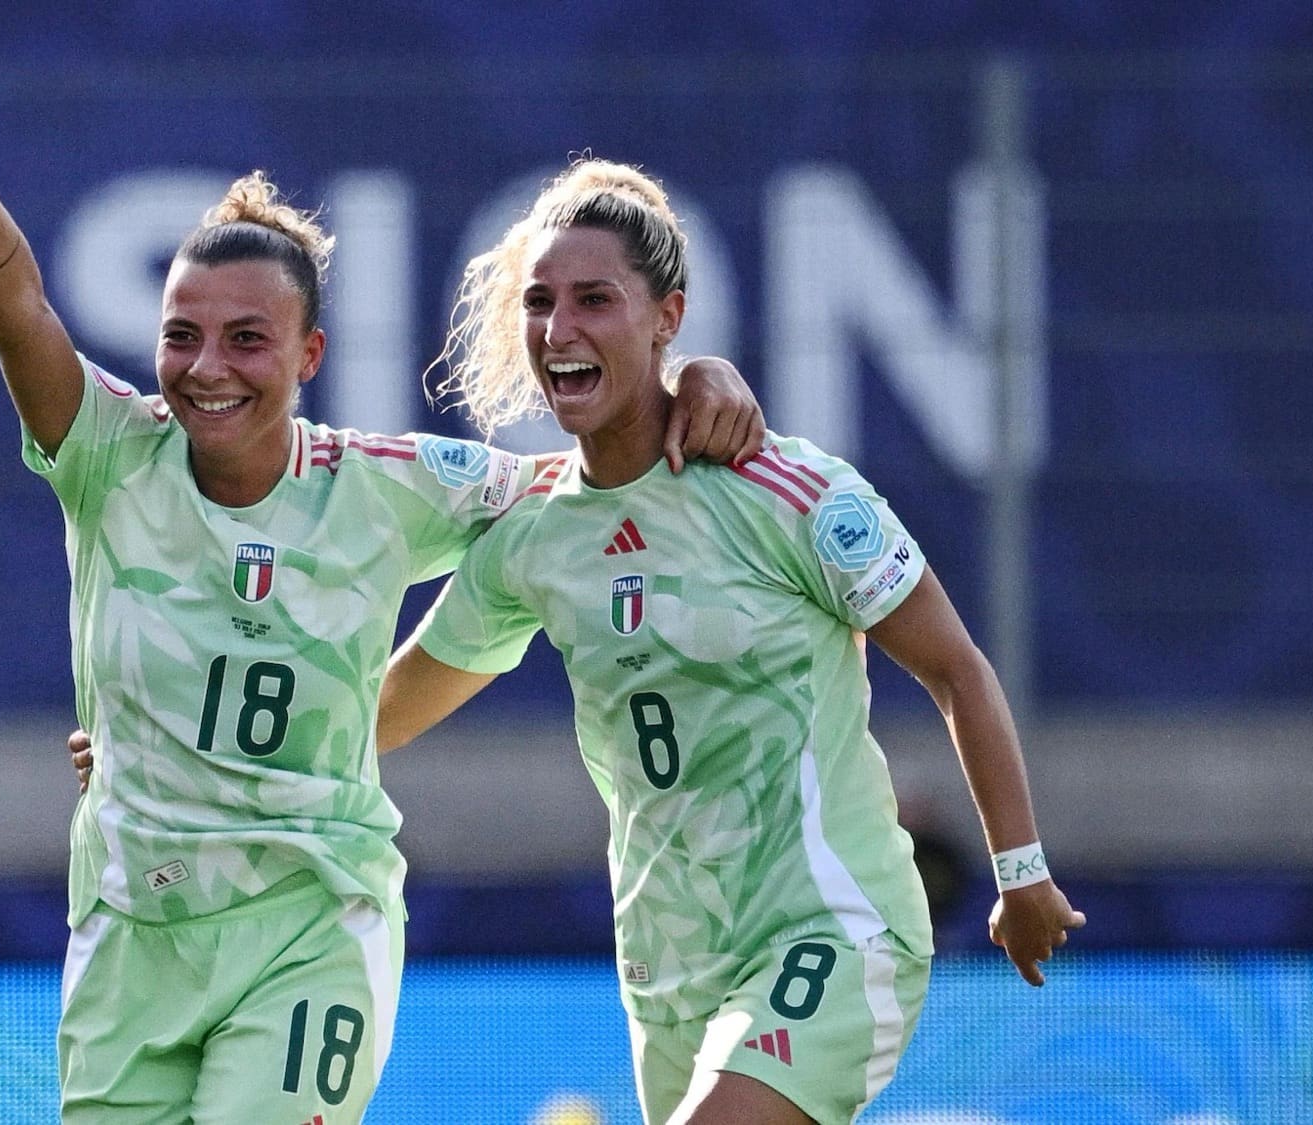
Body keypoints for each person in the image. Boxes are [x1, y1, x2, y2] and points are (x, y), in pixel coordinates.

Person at [0, 14, 762, 1121]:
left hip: (310, 925)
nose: (206, 367)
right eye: (182, 335)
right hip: (128, 934)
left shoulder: (387, 486)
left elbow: (591, 481)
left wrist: (690, 382)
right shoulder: (109, 455)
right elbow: (15, 305)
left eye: (247, 338)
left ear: (309, 355)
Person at [368, 160, 1086, 1125]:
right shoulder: (533, 536)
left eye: (594, 300)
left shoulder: (787, 491)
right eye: (540, 302)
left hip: (830, 929)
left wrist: (1021, 870)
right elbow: (389, 709)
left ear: (667, 316)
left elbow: (956, 669)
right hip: (665, 968)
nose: (559, 329)